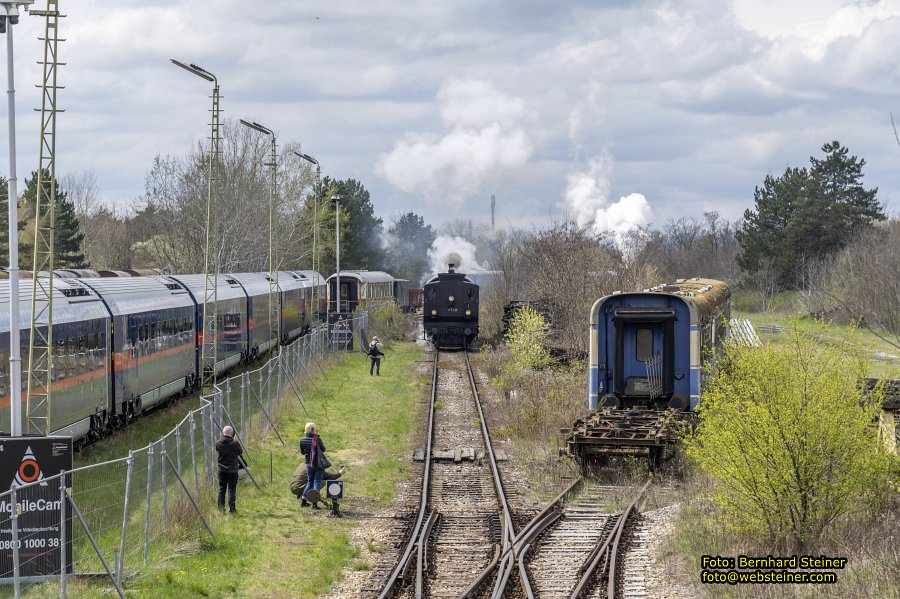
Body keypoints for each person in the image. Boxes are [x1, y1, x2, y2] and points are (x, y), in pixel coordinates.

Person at [298, 422, 327, 509]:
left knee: (310, 482)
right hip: (318, 463)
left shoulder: (302, 440)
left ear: (306, 429)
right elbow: (323, 449)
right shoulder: (317, 439)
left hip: (308, 464)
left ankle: (303, 501)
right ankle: (314, 503)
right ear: (314, 429)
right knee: (317, 482)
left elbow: (303, 452)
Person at [215, 425, 243, 513]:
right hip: (232, 470)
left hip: (221, 469)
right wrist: (235, 440)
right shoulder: (235, 443)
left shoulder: (218, 443)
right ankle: (232, 509)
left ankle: (221, 509)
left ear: (223, 433)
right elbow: (240, 452)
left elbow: (217, 449)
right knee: (231, 489)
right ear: (232, 433)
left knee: (221, 489)